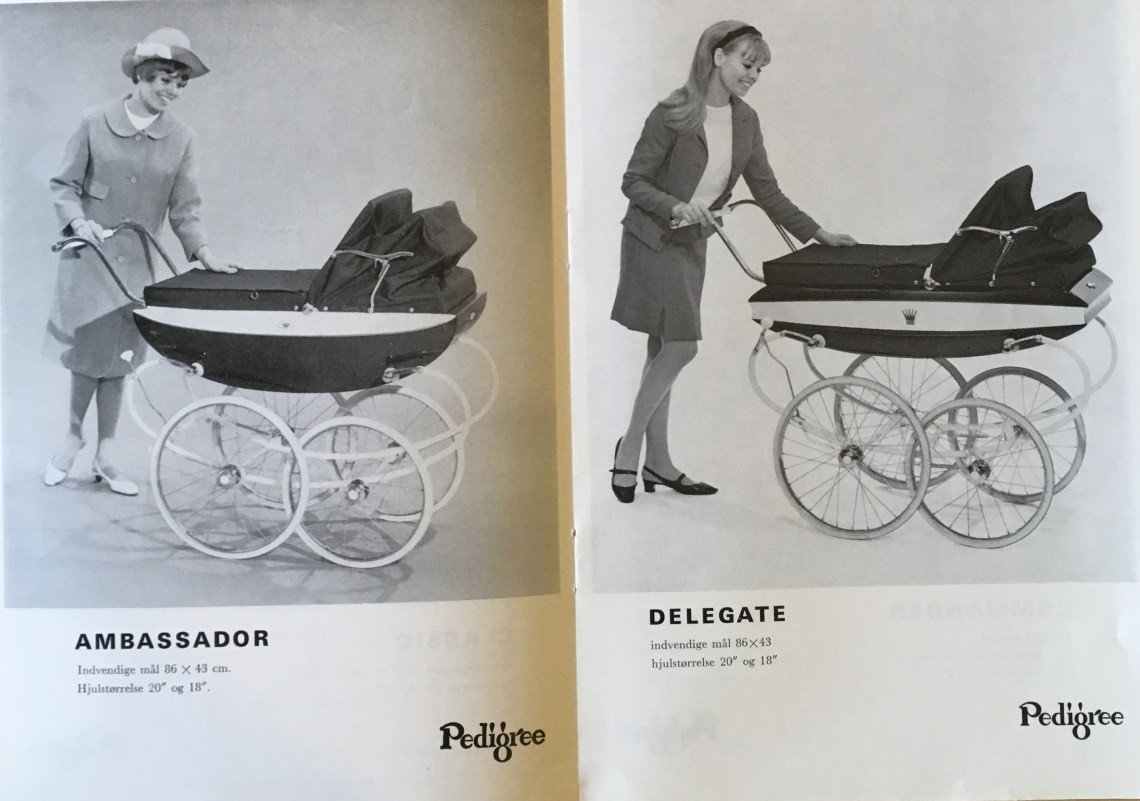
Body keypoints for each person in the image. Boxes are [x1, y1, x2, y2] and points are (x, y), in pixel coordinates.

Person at [609, 20, 857, 503]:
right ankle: (630, 447)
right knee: (682, 347)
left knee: (662, 350)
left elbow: (767, 192)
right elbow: (634, 181)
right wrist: (677, 206)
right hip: (652, 242)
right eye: (747, 63)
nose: (753, 75)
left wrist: (818, 233)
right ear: (717, 55)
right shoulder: (672, 113)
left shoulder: (746, 121)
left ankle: (658, 462)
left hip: (692, 244)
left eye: (760, 69)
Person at [42, 28, 239, 495]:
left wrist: (204, 252)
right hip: (88, 259)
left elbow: (185, 209)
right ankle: (72, 438)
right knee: (85, 356)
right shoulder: (94, 122)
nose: (173, 91)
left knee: (120, 359)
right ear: (141, 75)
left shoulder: (181, 138)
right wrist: (79, 223)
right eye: (165, 80)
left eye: (180, 83)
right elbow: (63, 185)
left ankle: (107, 452)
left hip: (134, 267)